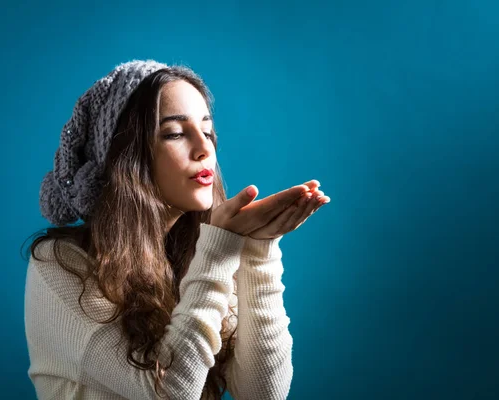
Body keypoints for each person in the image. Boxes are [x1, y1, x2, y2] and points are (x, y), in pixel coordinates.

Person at [23, 59, 330, 400]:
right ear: (125, 156)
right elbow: (169, 393)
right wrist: (218, 253)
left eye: (207, 131)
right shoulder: (60, 265)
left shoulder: (200, 256)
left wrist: (260, 249)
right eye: (174, 133)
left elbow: (263, 394)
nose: (204, 150)